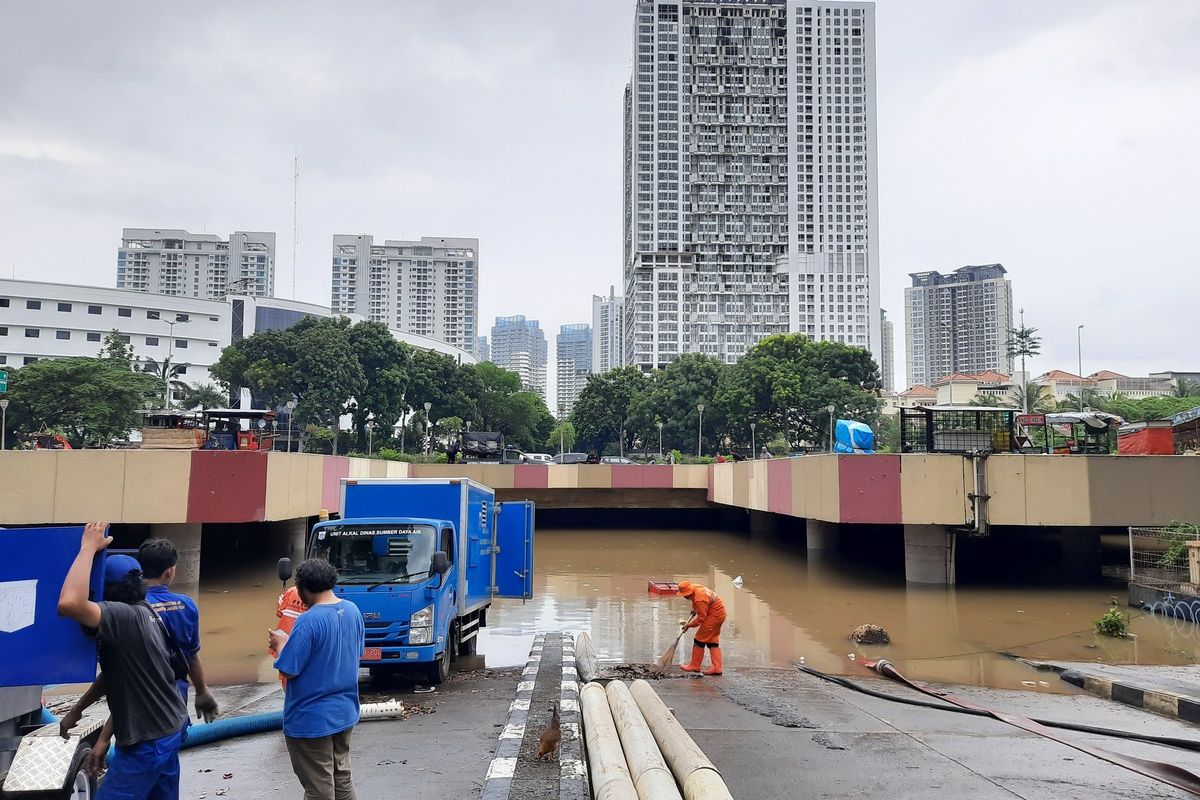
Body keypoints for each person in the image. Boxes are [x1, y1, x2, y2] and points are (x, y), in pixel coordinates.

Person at [57, 522, 189, 800]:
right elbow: (117, 677)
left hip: (148, 742)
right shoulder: (142, 613)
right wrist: (80, 712)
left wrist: (87, 549)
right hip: (167, 729)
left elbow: (69, 603)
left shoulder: (122, 617)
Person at [269, 559, 365, 800]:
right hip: (344, 713)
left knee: (319, 786)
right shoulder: (352, 611)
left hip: (311, 719)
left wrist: (281, 645)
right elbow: (356, 651)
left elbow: (289, 669)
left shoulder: (308, 620)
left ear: (302, 590)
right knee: (341, 776)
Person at [138, 539, 219, 727]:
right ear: (170, 571)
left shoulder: (130, 607)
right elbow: (191, 656)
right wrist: (202, 691)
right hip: (175, 695)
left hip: (139, 695)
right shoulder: (187, 605)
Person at [676, 580, 727, 676]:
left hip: (714, 616)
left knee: (699, 639)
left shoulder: (699, 598)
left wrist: (689, 625)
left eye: (685, 595)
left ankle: (695, 665)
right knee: (712, 641)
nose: (684, 597)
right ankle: (717, 667)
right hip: (719, 614)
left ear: (688, 592)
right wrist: (695, 609)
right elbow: (700, 604)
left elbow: (701, 618)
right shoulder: (695, 587)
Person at [270, 585, 310, 686]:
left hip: (284, 642)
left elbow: (279, 612)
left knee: (287, 676)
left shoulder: (291, 591)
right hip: (304, 647)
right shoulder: (322, 598)